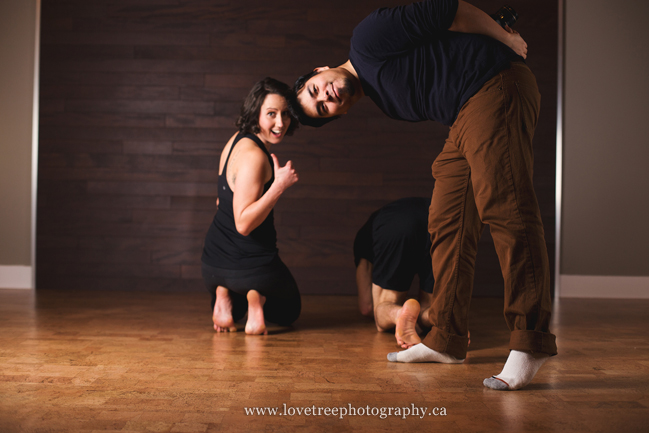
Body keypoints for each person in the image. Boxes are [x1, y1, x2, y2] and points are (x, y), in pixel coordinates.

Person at [291, 0, 557, 390]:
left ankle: (530, 340)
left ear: (319, 69)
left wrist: (505, 38)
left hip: (495, 83)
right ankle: (446, 338)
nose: (326, 96)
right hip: (466, 114)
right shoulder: (384, 98)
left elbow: (447, 10)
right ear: (339, 115)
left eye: (316, 89)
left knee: (506, 207)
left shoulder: (366, 39)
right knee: (446, 220)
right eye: (323, 107)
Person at [201, 77, 301, 335]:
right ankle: (258, 298)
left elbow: (219, 201)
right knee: (290, 311)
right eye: (271, 114)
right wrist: (278, 186)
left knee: (236, 312)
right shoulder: (256, 157)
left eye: (286, 114)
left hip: (213, 261)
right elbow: (243, 224)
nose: (280, 123)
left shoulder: (235, 140)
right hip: (251, 266)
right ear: (255, 113)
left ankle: (224, 295)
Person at [354, 197, 434, 346]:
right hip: (438, 221)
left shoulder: (363, 237)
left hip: (396, 225)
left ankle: (399, 314)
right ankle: (437, 318)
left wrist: (398, 308)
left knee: (384, 307)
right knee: (430, 307)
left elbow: (367, 307)